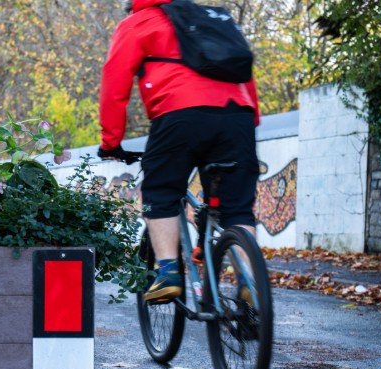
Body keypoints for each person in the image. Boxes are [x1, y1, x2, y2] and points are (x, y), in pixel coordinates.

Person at [98, 0, 261, 303]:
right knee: (237, 208)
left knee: (160, 191)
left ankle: (169, 273)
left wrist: (111, 142)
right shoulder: (212, 19)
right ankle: (251, 284)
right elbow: (244, 74)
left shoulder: (137, 23)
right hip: (238, 116)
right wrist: (250, 123)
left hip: (179, 114)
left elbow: (114, 82)